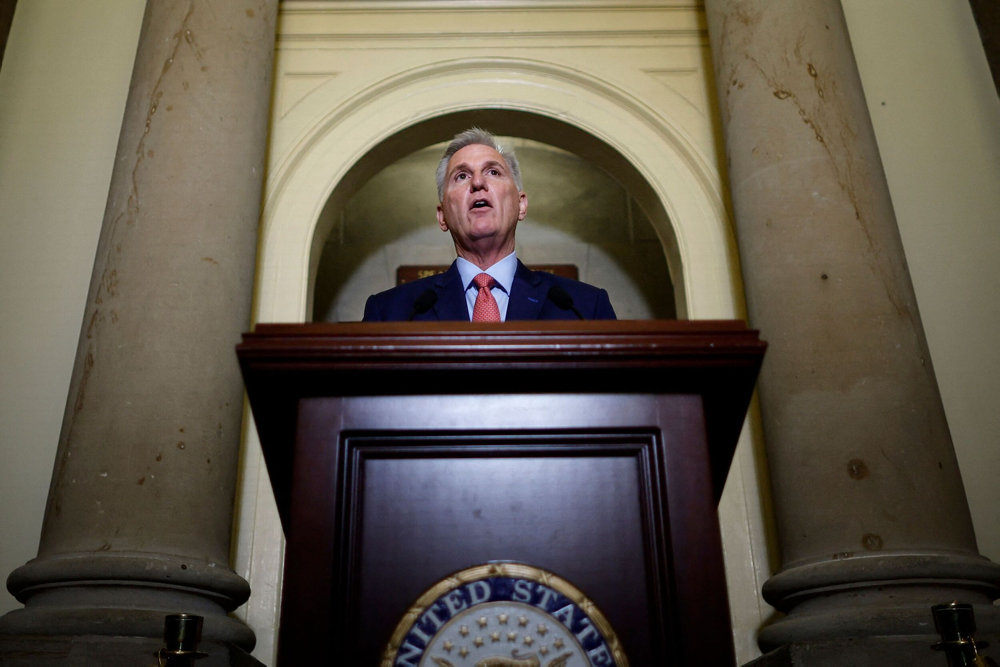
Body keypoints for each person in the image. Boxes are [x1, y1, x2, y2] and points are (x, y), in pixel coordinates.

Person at [362, 128, 617, 321]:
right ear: (442, 216)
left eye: (493, 172)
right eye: (461, 176)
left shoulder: (584, 306)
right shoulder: (390, 312)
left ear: (521, 205)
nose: (477, 183)